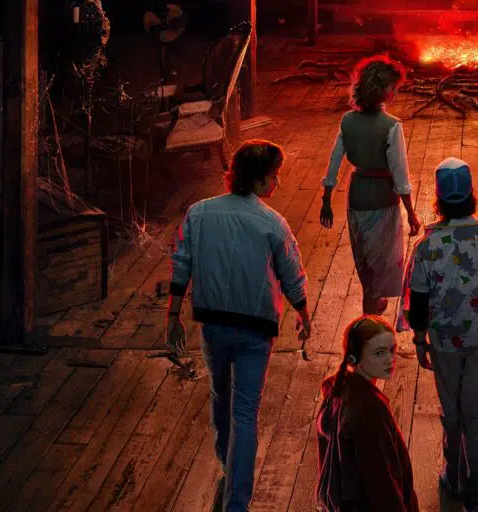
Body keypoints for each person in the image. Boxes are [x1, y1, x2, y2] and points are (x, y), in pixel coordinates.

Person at [166, 139, 312, 511]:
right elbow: (292, 275)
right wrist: (303, 312)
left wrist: (173, 316)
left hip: (213, 325)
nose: (277, 183)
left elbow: (181, 265)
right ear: (259, 179)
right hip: (256, 328)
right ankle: (237, 503)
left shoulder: (199, 213)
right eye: (274, 176)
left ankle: (223, 456)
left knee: (220, 393)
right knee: (246, 412)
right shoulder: (272, 223)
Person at [399, 157, 478, 512]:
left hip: (444, 343)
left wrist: (419, 340)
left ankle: (453, 476)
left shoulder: (427, 246)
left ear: (438, 201)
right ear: (473, 195)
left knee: (452, 412)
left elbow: (418, 301)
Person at [321, 55, 422, 315]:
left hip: (356, 196)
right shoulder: (392, 126)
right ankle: (370, 314)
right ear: (382, 90)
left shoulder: (347, 121)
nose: (395, 93)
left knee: (365, 257)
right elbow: (400, 175)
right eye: (393, 88)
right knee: (381, 261)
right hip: (382, 198)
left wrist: (326, 200)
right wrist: (411, 213)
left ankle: (373, 305)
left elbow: (334, 162)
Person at [316, 316, 420, 512]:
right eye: (379, 353)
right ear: (354, 358)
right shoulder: (369, 409)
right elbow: (381, 481)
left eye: (392, 350)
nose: (390, 359)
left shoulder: (339, 387)